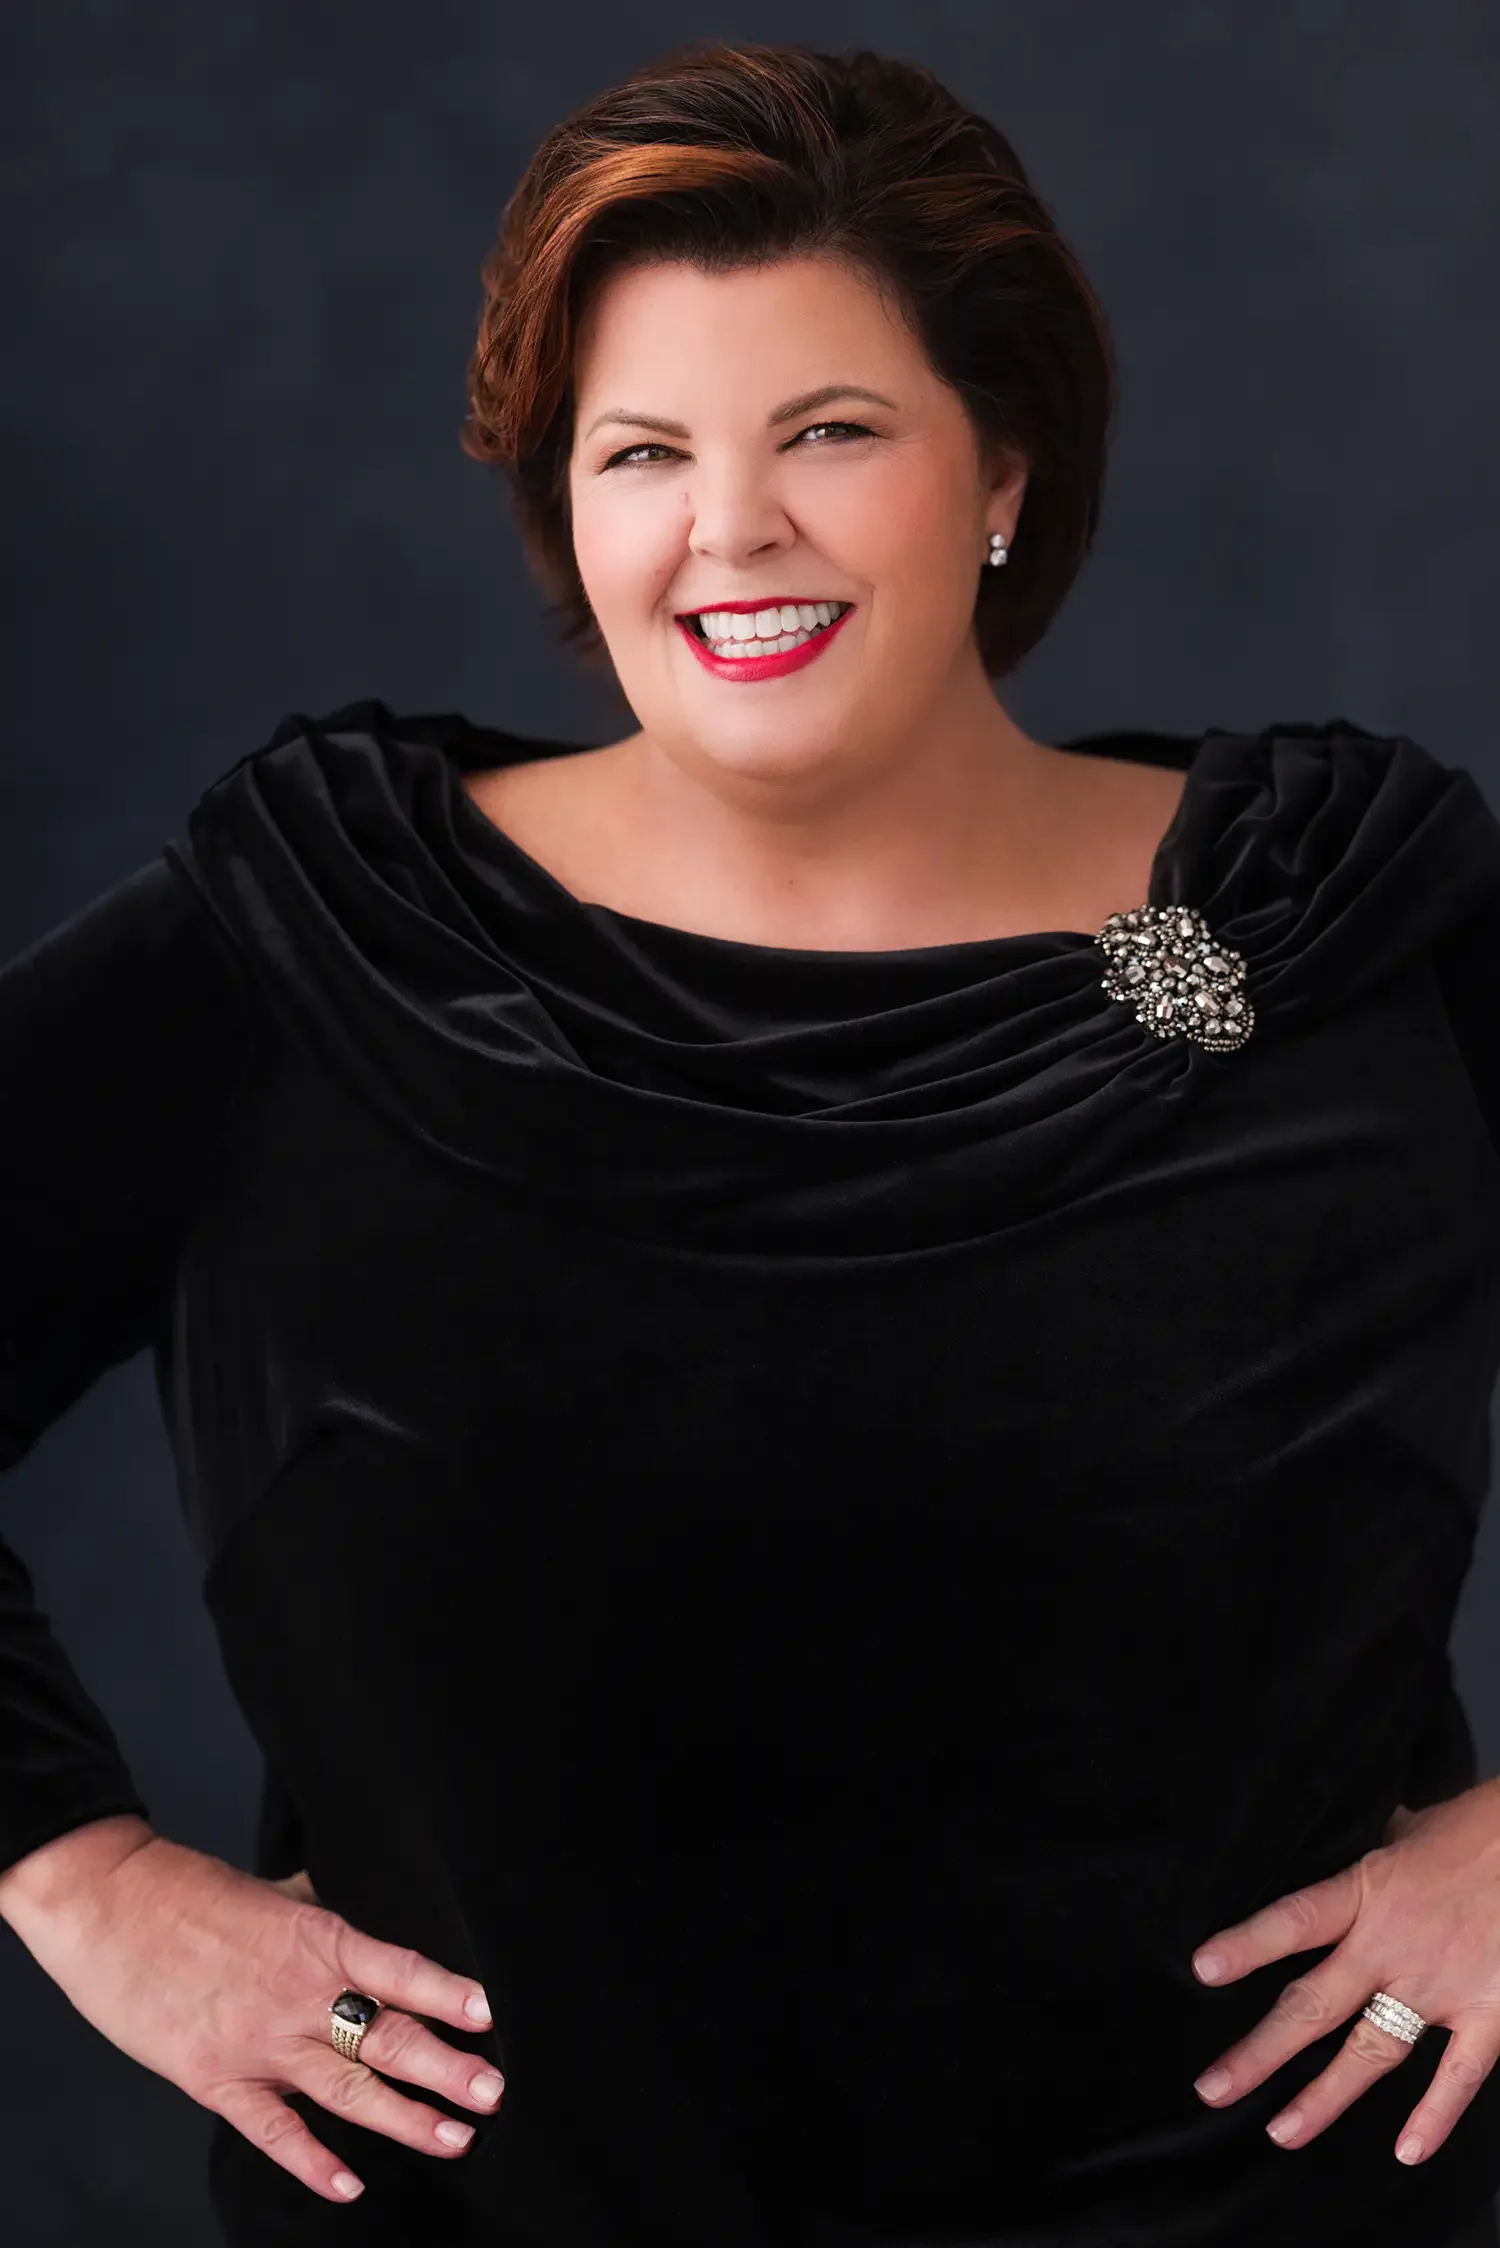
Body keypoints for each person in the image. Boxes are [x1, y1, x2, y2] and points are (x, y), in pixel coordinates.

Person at [1, 34, 1499, 2248]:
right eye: (641, 452)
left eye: (829, 431)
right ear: (564, 507)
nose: (729, 530)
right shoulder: (321, 949)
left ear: (1002, 464)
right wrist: (82, 1873)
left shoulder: (1309, 931)